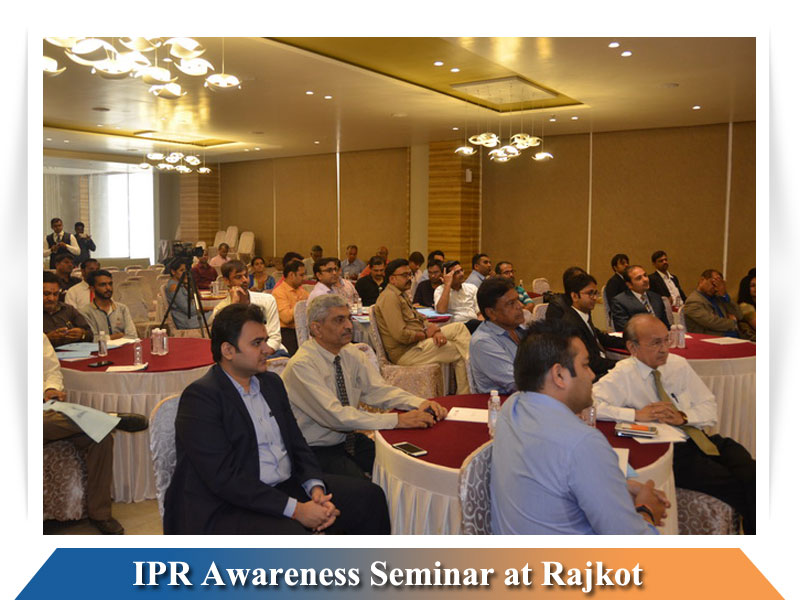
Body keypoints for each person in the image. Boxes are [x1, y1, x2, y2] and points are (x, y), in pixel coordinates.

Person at [163, 303, 391, 535]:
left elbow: (297, 443)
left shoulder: (271, 384)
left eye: (265, 340)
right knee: (294, 535)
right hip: (228, 503)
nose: (268, 349)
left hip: (284, 485)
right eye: (256, 343)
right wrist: (297, 510)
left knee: (369, 498)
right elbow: (224, 478)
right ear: (228, 350)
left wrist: (315, 489)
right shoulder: (202, 398)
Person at [490, 318, 667, 535]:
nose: (592, 375)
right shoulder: (583, 443)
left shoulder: (512, 407)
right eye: (584, 365)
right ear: (559, 375)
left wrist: (618, 486)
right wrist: (647, 511)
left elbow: (550, 478)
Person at [592, 314, 756, 534]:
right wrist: (636, 414)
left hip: (699, 437)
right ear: (632, 347)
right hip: (674, 450)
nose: (664, 349)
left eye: (666, 340)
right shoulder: (623, 374)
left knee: (751, 470)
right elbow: (591, 404)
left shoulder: (677, 365)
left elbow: (708, 406)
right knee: (734, 486)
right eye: (655, 343)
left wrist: (683, 417)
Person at [282, 295, 448, 478]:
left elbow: (377, 391)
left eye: (349, 318)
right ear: (317, 328)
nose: (349, 326)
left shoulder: (349, 353)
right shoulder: (302, 365)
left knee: (404, 469)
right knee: (369, 490)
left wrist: (418, 403)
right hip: (316, 449)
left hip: (349, 439)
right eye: (339, 320)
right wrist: (397, 420)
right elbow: (336, 416)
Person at [43, 334, 147, 534]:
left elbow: (51, 371)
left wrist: (51, 388)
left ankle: (100, 514)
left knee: (99, 435)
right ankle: (106, 418)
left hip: (46, 408)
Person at [373, 259, 472, 394]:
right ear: (392, 279)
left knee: (459, 328)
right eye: (404, 275)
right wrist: (426, 334)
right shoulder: (389, 298)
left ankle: (470, 387)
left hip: (418, 343)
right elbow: (401, 335)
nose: (409, 278)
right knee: (459, 350)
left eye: (409, 274)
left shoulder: (401, 294)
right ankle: (468, 393)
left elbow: (421, 319)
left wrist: (435, 331)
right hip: (407, 352)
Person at [210, 260, 286, 356]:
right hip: (240, 356)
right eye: (238, 277)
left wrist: (259, 356)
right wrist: (234, 305)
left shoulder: (267, 300)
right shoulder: (220, 310)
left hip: (269, 351)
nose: (245, 280)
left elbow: (275, 338)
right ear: (226, 281)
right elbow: (225, 340)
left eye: (246, 276)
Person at [561, 271, 625, 380]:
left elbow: (602, 338)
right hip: (592, 376)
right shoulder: (570, 323)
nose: (595, 297)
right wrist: (621, 364)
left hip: (600, 367)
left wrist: (629, 342)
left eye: (596, 293)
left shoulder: (584, 315)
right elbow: (590, 361)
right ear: (575, 296)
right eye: (590, 293)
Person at [469, 277, 525, 394]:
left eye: (518, 300)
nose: (519, 306)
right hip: (504, 402)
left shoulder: (520, 329)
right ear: (491, 313)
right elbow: (518, 383)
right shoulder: (483, 342)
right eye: (511, 303)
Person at [683, 269, 742, 338]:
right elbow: (712, 322)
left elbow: (739, 315)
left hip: (729, 334)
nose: (716, 288)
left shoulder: (718, 297)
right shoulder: (693, 301)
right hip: (710, 338)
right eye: (714, 283)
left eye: (719, 284)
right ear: (702, 280)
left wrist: (724, 295)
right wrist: (734, 323)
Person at [80, 270, 138, 340]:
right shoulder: (86, 312)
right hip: (100, 347)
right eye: (103, 285)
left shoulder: (122, 308)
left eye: (110, 284)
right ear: (92, 288)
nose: (108, 288)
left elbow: (132, 335)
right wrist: (113, 337)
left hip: (124, 346)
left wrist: (104, 338)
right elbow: (92, 339)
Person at [610, 265, 670, 331]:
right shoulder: (620, 301)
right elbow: (624, 329)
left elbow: (666, 325)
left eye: (645, 275)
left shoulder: (656, 297)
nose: (645, 280)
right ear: (629, 285)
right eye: (639, 278)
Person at [272, 259, 310, 356]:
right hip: (287, 332)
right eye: (301, 275)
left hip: (302, 328)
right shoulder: (279, 292)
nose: (304, 278)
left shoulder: (301, 291)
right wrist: (299, 305)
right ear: (291, 275)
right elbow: (286, 318)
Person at [43, 271, 93, 347]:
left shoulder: (68, 310)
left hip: (74, 351)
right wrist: (47, 338)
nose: (51, 298)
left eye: (55, 294)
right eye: (46, 294)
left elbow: (90, 334)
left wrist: (82, 334)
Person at [434, 260, 482, 333]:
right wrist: (447, 285)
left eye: (461, 270)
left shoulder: (472, 288)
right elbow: (441, 310)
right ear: (448, 276)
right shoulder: (440, 290)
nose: (461, 274)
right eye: (457, 272)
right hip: (454, 327)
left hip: (473, 325)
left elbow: (479, 313)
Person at [165, 259, 213, 330]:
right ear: (173, 272)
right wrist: (208, 308)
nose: (185, 273)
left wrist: (190, 284)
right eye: (181, 270)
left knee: (218, 313)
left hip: (192, 317)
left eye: (185, 270)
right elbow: (189, 310)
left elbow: (198, 296)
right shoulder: (173, 287)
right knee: (218, 314)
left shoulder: (180, 284)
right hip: (186, 321)